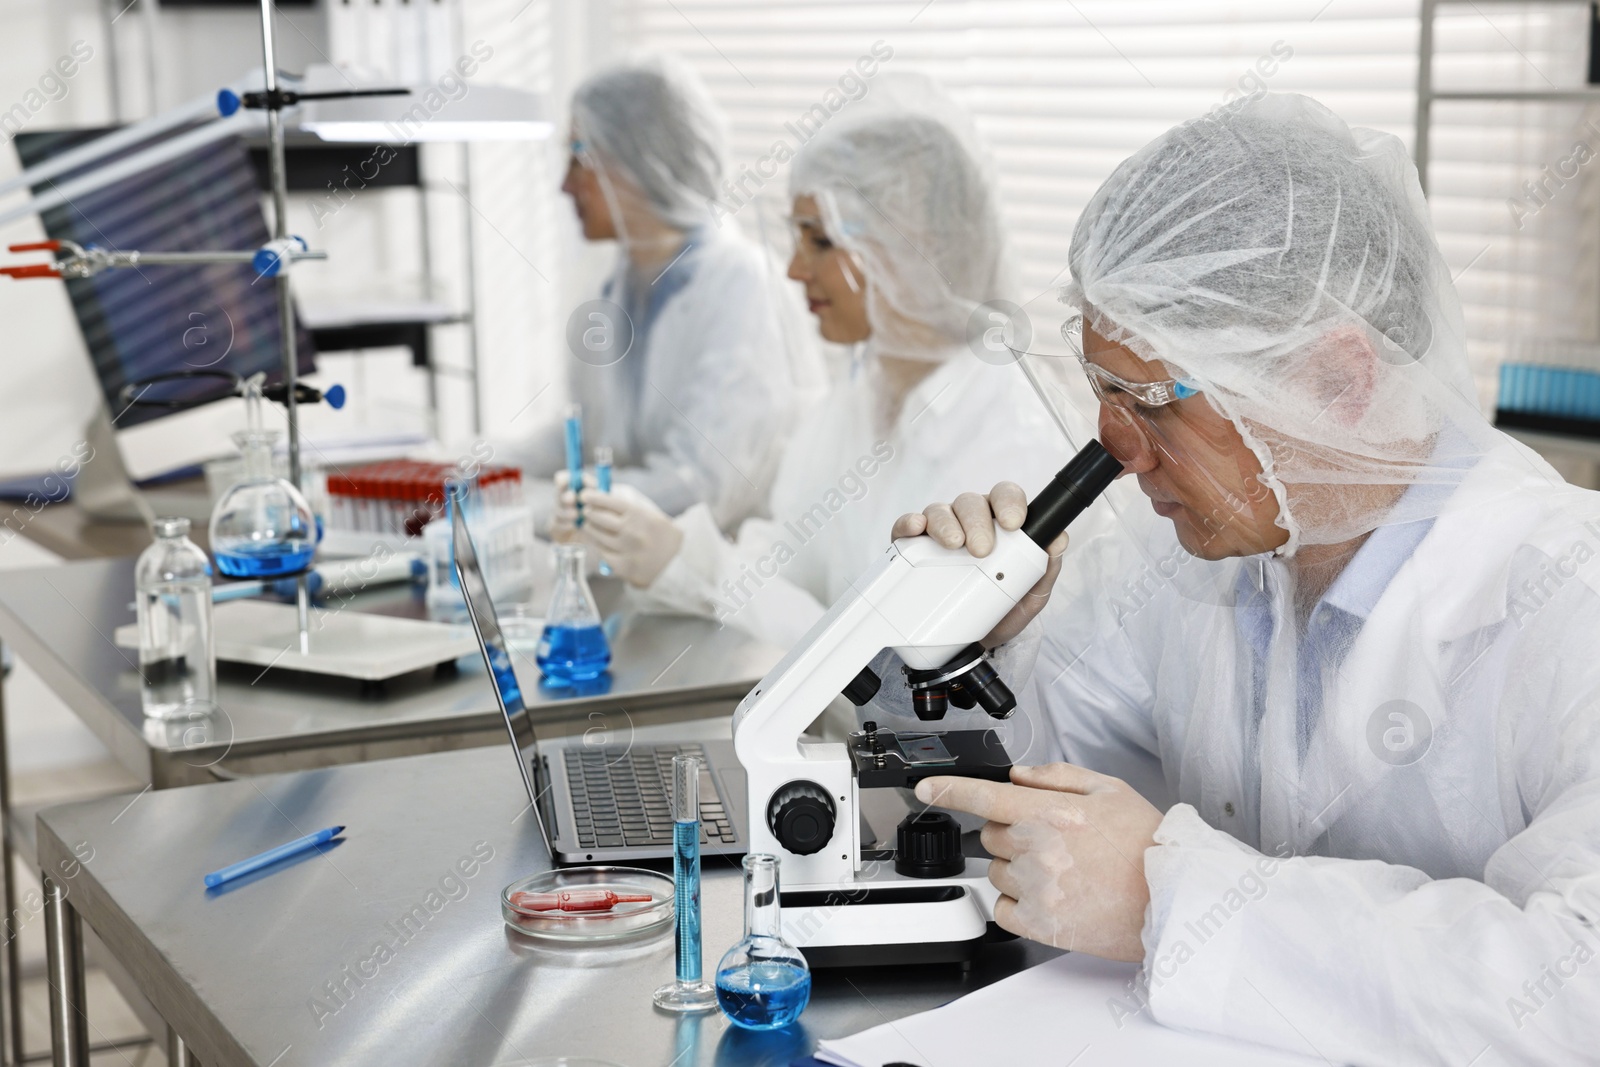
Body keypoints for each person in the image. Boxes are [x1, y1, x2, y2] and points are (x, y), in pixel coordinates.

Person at [895, 92, 1600, 1064]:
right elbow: (1046, 805)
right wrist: (1003, 633)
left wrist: (1169, 897)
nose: (1114, 445)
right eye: (1101, 392)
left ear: (1339, 380)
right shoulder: (1186, 560)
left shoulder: (1568, 597)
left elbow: (1577, 990)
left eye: (1149, 399)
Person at [554, 75, 1088, 681]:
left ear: (911, 247)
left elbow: (892, 669)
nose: (791, 267)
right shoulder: (856, 402)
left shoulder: (1010, 437)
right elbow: (782, 557)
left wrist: (697, 566)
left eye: (818, 240)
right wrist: (671, 554)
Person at [512, 56, 816, 531]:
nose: (564, 185)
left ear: (638, 162)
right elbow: (587, 435)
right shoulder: (617, 285)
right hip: (626, 573)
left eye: (579, 156)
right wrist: (479, 471)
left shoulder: (741, 288)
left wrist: (536, 511)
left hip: (719, 582)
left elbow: (700, 487)